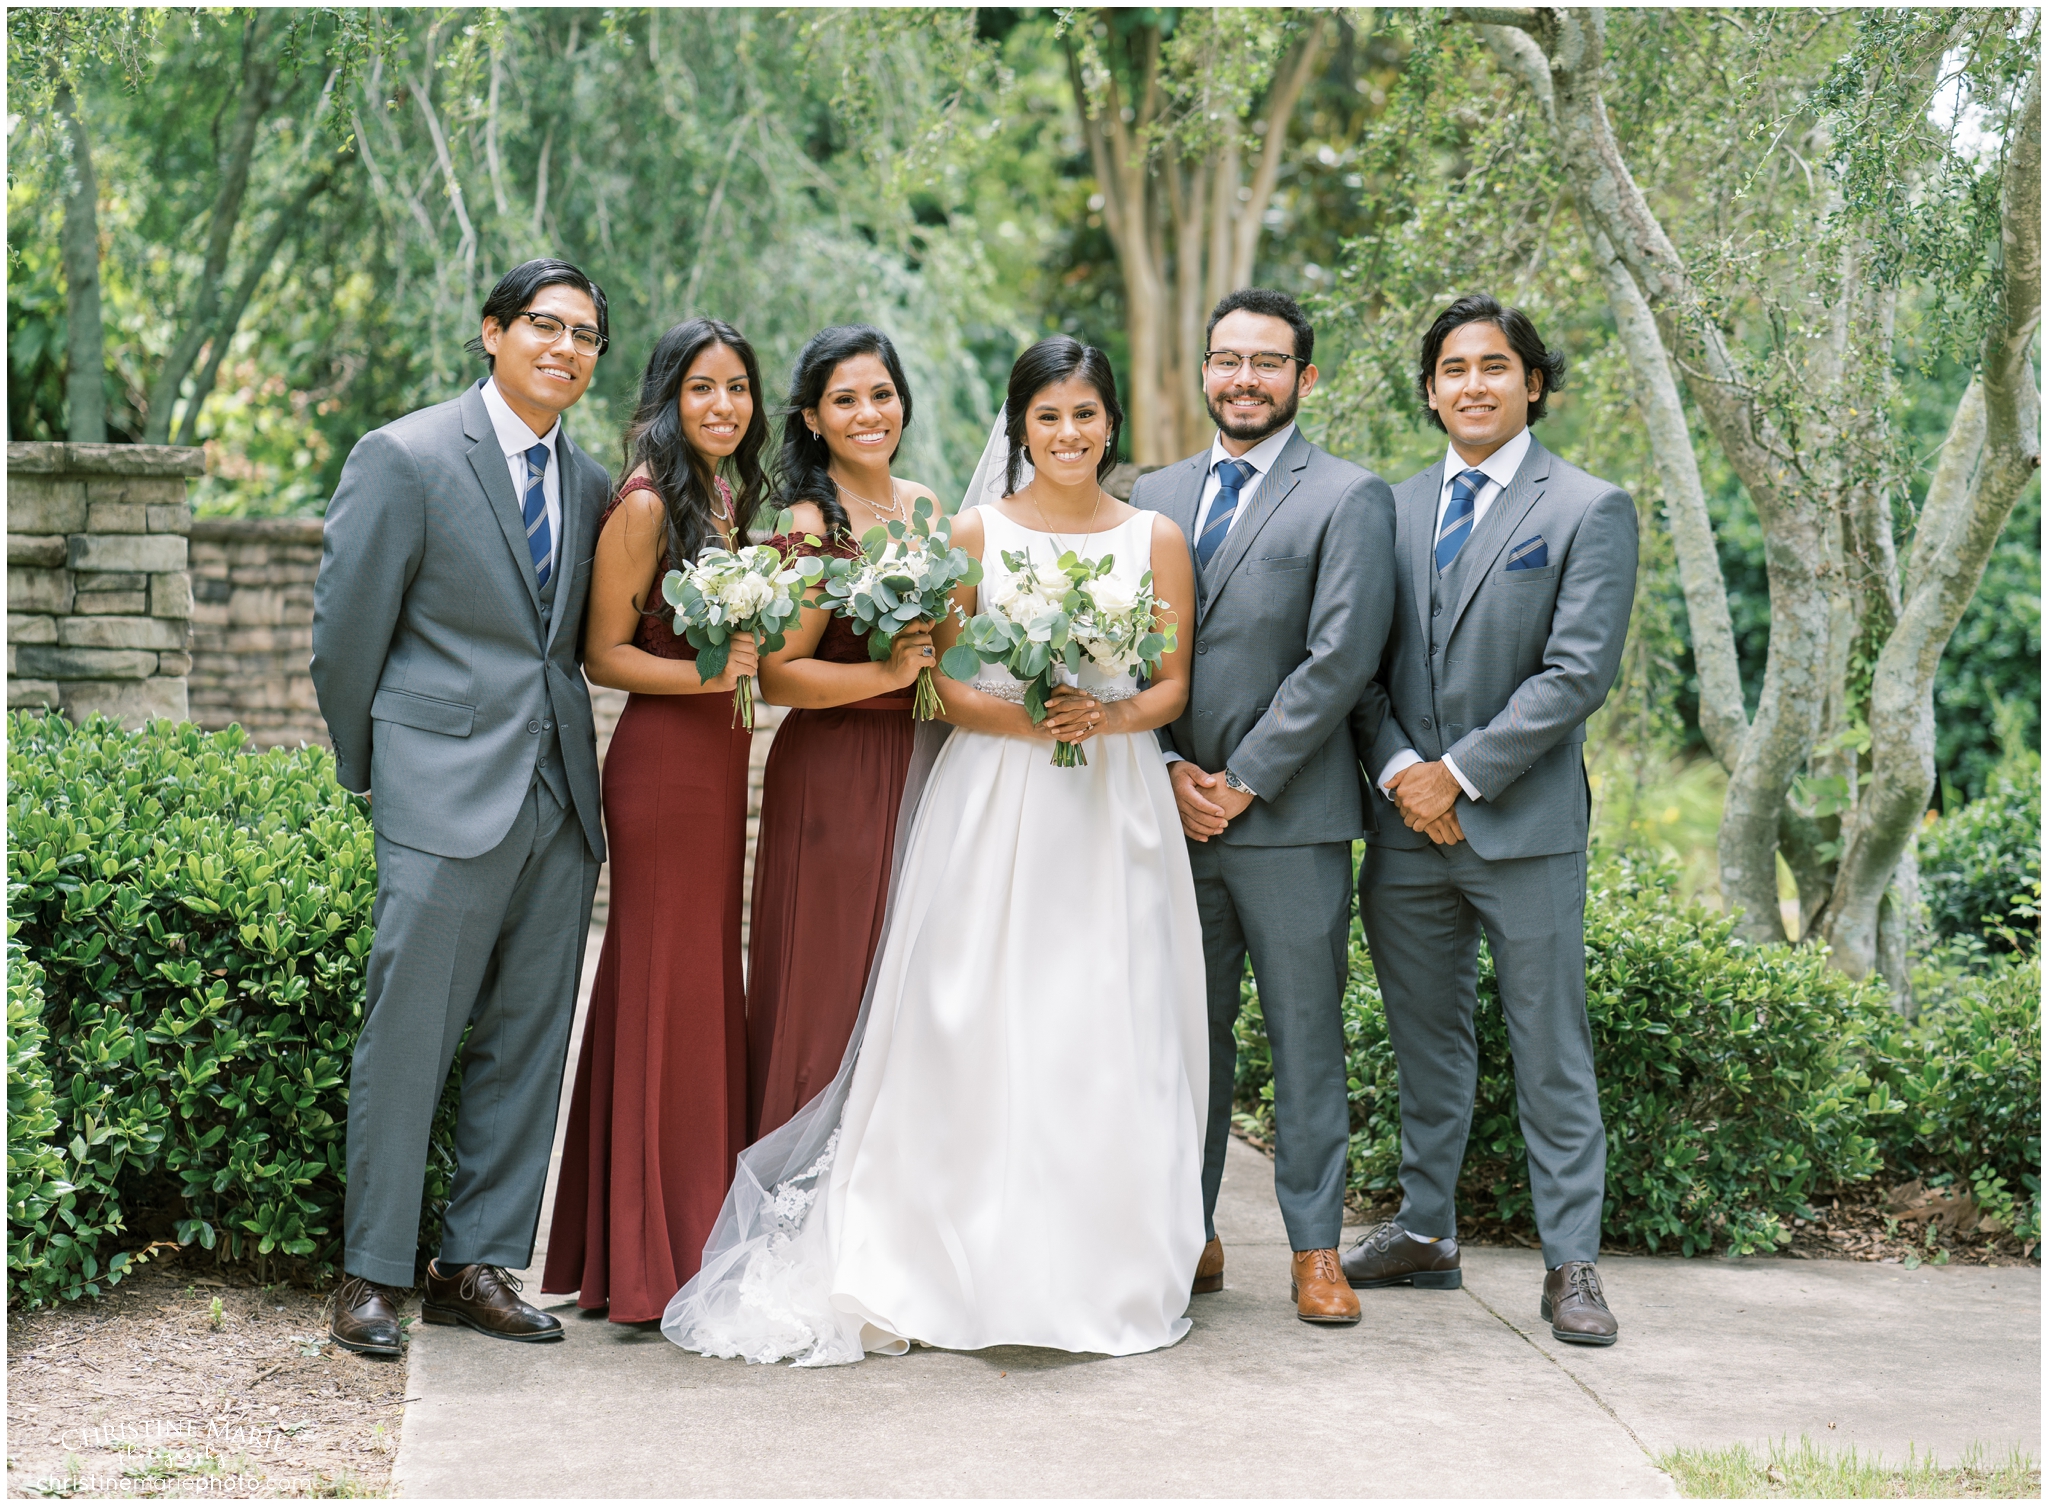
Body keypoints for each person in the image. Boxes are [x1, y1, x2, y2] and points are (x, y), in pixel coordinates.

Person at [662, 336, 1208, 1364]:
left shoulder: (1156, 538)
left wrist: (1107, 715)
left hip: (1115, 804)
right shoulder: (968, 532)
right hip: (997, 796)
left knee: (1107, 1014)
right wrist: (1034, 726)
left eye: (1084, 415)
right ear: (1019, 427)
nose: (1066, 434)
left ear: (1110, 423)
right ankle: (964, 1248)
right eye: (1046, 417)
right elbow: (942, 686)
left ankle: (1109, 1255)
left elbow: (1172, 686)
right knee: (977, 1011)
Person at [312, 258, 613, 1355]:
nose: (565, 348)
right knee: (409, 1036)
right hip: (439, 792)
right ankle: (371, 1275)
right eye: (545, 325)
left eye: (586, 336)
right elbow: (346, 635)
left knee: (530, 1039)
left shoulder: (591, 488)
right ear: (492, 332)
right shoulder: (405, 455)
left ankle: (476, 1264)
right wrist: (375, 771)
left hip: (557, 798)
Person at [1343, 293, 1637, 1347]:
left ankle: (1571, 1265)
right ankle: (1425, 1234)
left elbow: (1573, 676)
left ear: (1532, 383)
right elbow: (1356, 669)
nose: (1472, 384)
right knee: (1425, 1045)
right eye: (1452, 369)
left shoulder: (1587, 508)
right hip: (1402, 832)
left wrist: (1456, 778)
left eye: (1493, 366)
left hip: (1521, 831)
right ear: (1428, 391)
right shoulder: (1385, 506)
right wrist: (1399, 776)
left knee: (1547, 1047)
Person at [1133, 288, 1396, 1326]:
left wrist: (1238, 780)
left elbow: (1338, 661)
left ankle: (1313, 1249)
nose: (1243, 379)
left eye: (1267, 362)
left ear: (1303, 377)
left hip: (1287, 820)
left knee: (1303, 1035)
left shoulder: (1347, 496)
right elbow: (1119, 651)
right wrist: (1163, 768)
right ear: (1203, 370)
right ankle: (1186, 1234)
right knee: (1180, 1039)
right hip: (1165, 815)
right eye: (1226, 360)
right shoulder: (1150, 493)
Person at [539, 317, 771, 1324]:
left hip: (717, 766)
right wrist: (711, 670)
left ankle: (681, 1230)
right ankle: (642, 1256)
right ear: (667, 398)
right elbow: (601, 655)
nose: (722, 406)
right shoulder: (642, 503)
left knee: (696, 984)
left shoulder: (726, 496)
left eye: (737, 388)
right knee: (661, 985)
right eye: (701, 388)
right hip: (664, 769)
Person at [746, 327, 937, 1143]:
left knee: (912, 975)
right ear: (813, 420)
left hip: (928, 763)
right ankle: (798, 1188)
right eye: (846, 400)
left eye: (882, 393)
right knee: (829, 977)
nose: (869, 413)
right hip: (839, 767)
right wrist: (886, 677)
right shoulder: (805, 523)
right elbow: (779, 676)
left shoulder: (928, 507)